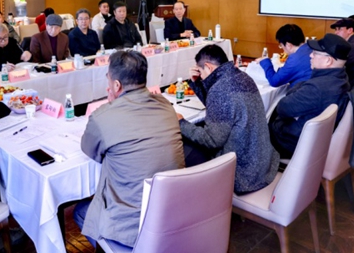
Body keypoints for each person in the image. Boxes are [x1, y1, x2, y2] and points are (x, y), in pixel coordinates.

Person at [74, 51, 185, 248]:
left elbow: (89, 149)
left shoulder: (102, 117)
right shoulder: (166, 106)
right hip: (172, 213)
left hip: (132, 227)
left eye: (108, 78)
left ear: (116, 85)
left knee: (81, 211)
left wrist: (112, 107)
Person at [179, 44, 280, 195]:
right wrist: (197, 82)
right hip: (262, 162)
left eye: (200, 72)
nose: (201, 76)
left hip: (243, 173)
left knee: (186, 149)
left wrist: (181, 123)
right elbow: (219, 109)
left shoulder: (220, 90)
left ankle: (203, 198)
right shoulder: (242, 77)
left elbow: (211, 141)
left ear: (209, 67)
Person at [269, 33, 351, 159]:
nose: (310, 55)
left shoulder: (316, 88)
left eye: (315, 53)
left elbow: (283, 107)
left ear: (328, 61)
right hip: (314, 141)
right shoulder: (341, 79)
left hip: (290, 142)